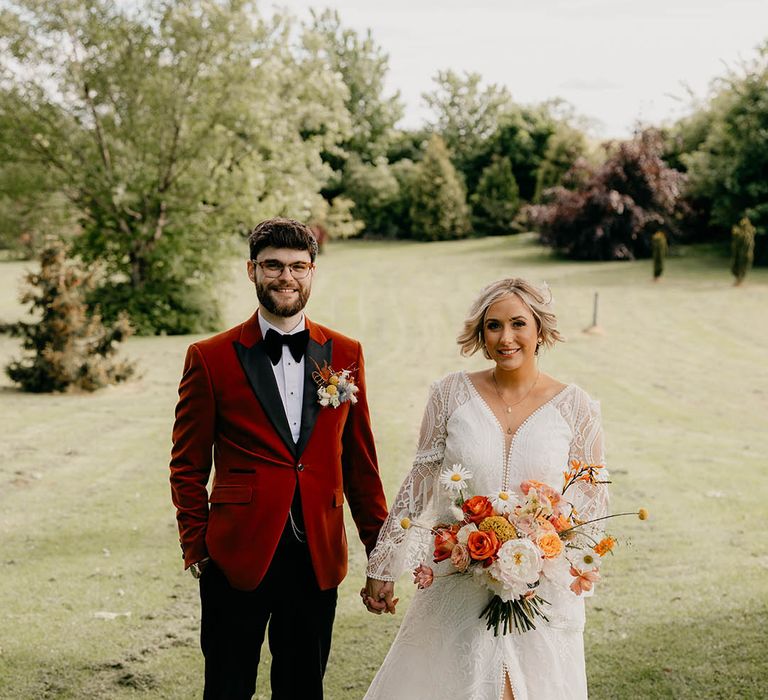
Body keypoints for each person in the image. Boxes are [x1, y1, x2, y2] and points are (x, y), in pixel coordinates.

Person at [169, 218, 392, 700]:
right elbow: (187, 464)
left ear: (312, 272)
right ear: (252, 270)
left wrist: (382, 552)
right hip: (235, 555)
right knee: (227, 688)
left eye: (297, 266)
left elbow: (361, 464)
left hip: (317, 555)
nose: (285, 277)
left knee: (302, 687)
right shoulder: (209, 356)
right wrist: (197, 549)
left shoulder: (346, 353)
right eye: (272, 265)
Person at [362, 278, 609, 700]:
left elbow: (592, 503)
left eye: (518, 324)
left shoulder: (576, 407)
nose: (506, 338)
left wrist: (543, 545)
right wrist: (385, 564)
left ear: (540, 330)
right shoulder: (449, 395)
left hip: (541, 588)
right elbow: (419, 484)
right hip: (457, 578)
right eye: (494, 326)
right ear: (480, 333)